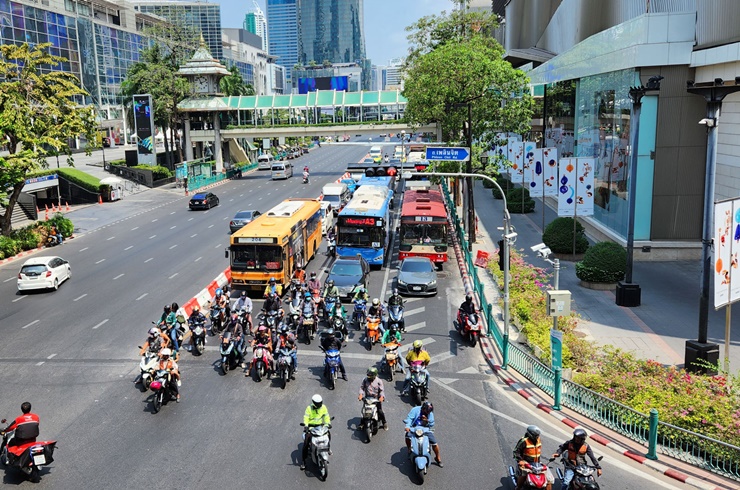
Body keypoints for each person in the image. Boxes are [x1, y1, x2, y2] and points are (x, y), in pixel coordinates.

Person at [513, 425, 554, 490]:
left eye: (538, 435)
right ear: (531, 435)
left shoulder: (538, 439)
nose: (537, 437)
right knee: (523, 475)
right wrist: (520, 460)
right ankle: (518, 487)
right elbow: (516, 452)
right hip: (526, 463)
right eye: (536, 436)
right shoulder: (524, 441)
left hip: (537, 464)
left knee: (549, 480)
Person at [404, 401, 442, 467]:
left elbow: (432, 423)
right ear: (423, 408)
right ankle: (409, 449)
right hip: (414, 428)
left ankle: (438, 458)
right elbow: (409, 418)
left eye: (429, 411)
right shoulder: (415, 410)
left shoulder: (430, 414)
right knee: (407, 436)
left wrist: (427, 421)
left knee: (434, 443)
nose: (428, 413)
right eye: (427, 411)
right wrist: (407, 426)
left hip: (425, 429)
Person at [300, 394, 331, 470]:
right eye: (318, 403)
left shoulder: (323, 407)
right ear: (314, 403)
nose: (320, 405)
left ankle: (328, 448)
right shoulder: (309, 408)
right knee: (306, 443)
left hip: (320, 427)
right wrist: (306, 426)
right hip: (311, 428)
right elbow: (306, 417)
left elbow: (326, 416)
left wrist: (328, 424)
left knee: (328, 434)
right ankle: (303, 462)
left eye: (320, 403)